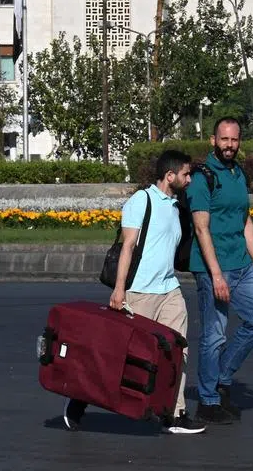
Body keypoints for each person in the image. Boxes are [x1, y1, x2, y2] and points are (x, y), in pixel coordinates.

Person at [63, 149, 206, 435]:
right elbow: (127, 246)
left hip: (169, 289)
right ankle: (79, 401)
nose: (189, 179)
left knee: (179, 351)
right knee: (118, 356)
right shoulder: (142, 201)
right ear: (169, 175)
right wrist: (120, 290)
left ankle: (174, 415)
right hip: (139, 292)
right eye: (186, 174)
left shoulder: (176, 206)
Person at [188, 117, 253, 425]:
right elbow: (201, 227)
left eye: (234, 140)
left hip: (243, 265)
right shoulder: (202, 177)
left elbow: (245, 221)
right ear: (213, 141)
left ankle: (221, 376)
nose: (229, 145)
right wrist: (217, 275)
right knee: (214, 335)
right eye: (224, 139)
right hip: (214, 269)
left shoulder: (238, 173)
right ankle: (208, 401)